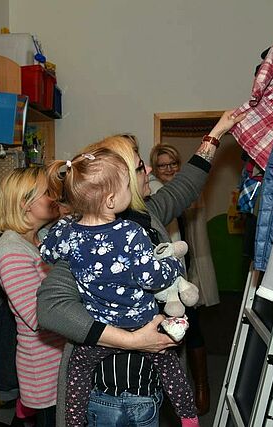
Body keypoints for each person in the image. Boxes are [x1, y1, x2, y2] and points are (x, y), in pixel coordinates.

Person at [36, 110, 244, 427]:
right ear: (118, 184)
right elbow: (51, 308)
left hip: (147, 385)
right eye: (137, 166)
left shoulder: (146, 213)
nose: (147, 170)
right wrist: (134, 341)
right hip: (115, 394)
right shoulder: (89, 236)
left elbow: (184, 186)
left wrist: (217, 132)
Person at [39, 148, 197, 427]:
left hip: (100, 330)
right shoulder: (129, 233)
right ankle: (188, 418)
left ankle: (74, 422)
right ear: (111, 200)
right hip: (139, 323)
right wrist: (173, 265)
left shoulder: (66, 231)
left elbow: (47, 254)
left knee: (78, 372)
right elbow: (152, 278)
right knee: (169, 363)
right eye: (127, 185)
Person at [149, 143, 220, 414]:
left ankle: (202, 385)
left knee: (194, 328)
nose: (168, 169)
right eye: (162, 165)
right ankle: (181, 390)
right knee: (177, 327)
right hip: (171, 273)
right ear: (154, 169)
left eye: (172, 164)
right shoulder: (156, 195)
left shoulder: (187, 190)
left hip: (189, 263)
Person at [0, 167, 66, 427]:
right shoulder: (11, 251)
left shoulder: (40, 238)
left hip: (58, 357)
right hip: (44, 366)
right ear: (25, 203)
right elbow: (39, 317)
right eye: (48, 193)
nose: (54, 197)